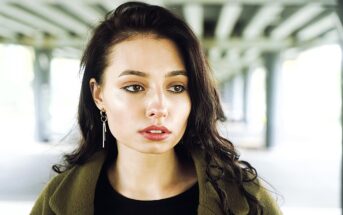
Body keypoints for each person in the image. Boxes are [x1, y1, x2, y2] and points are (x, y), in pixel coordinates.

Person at [31, 1, 282, 215]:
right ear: (98, 95)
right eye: (134, 87)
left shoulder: (246, 197)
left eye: (176, 87)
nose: (159, 107)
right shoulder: (58, 201)